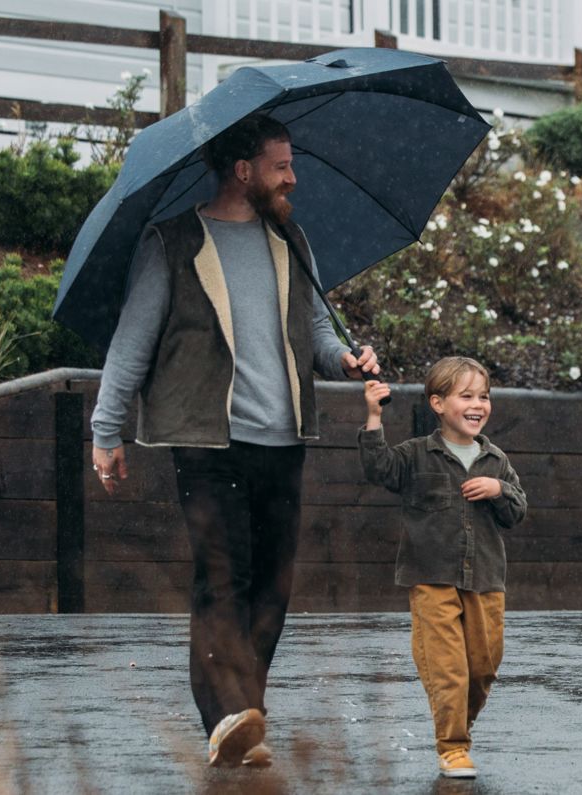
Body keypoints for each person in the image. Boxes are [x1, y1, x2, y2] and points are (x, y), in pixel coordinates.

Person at [89, 113, 380, 768]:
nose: (293, 177)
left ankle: (247, 714)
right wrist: (106, 430)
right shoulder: (173, 242)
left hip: (284, 437)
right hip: (208, 438)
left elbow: (316, 332)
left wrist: (345, 360)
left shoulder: (290, 240)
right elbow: (131, 342)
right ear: (243, 170)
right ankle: (225, 714)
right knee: (224, 577)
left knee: (273, 585)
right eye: (282, 165)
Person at [358, 357, 527, 779]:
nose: (478, 404)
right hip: (430, 575)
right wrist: (374, 416)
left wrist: (499, 490)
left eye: (483, 396)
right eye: (465, 396)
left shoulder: (496, 460)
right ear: (437, 403)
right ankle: (452, 745)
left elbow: (517, 512)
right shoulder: (416, 454)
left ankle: (456, 726)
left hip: (485, 578)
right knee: (447, 665)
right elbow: (379, 469)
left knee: (484, 665)